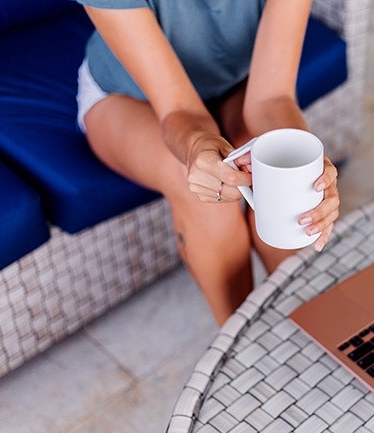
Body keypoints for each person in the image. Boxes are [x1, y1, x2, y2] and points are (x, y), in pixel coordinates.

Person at [75, 0, 340, 325]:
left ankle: (308, 330)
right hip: (128, 96)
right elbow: (179, 110)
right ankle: (241, 340)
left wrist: (304, 169)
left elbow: (272, 97)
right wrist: (198, 149)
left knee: (283, 178)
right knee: (200, 185)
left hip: (238, 83)